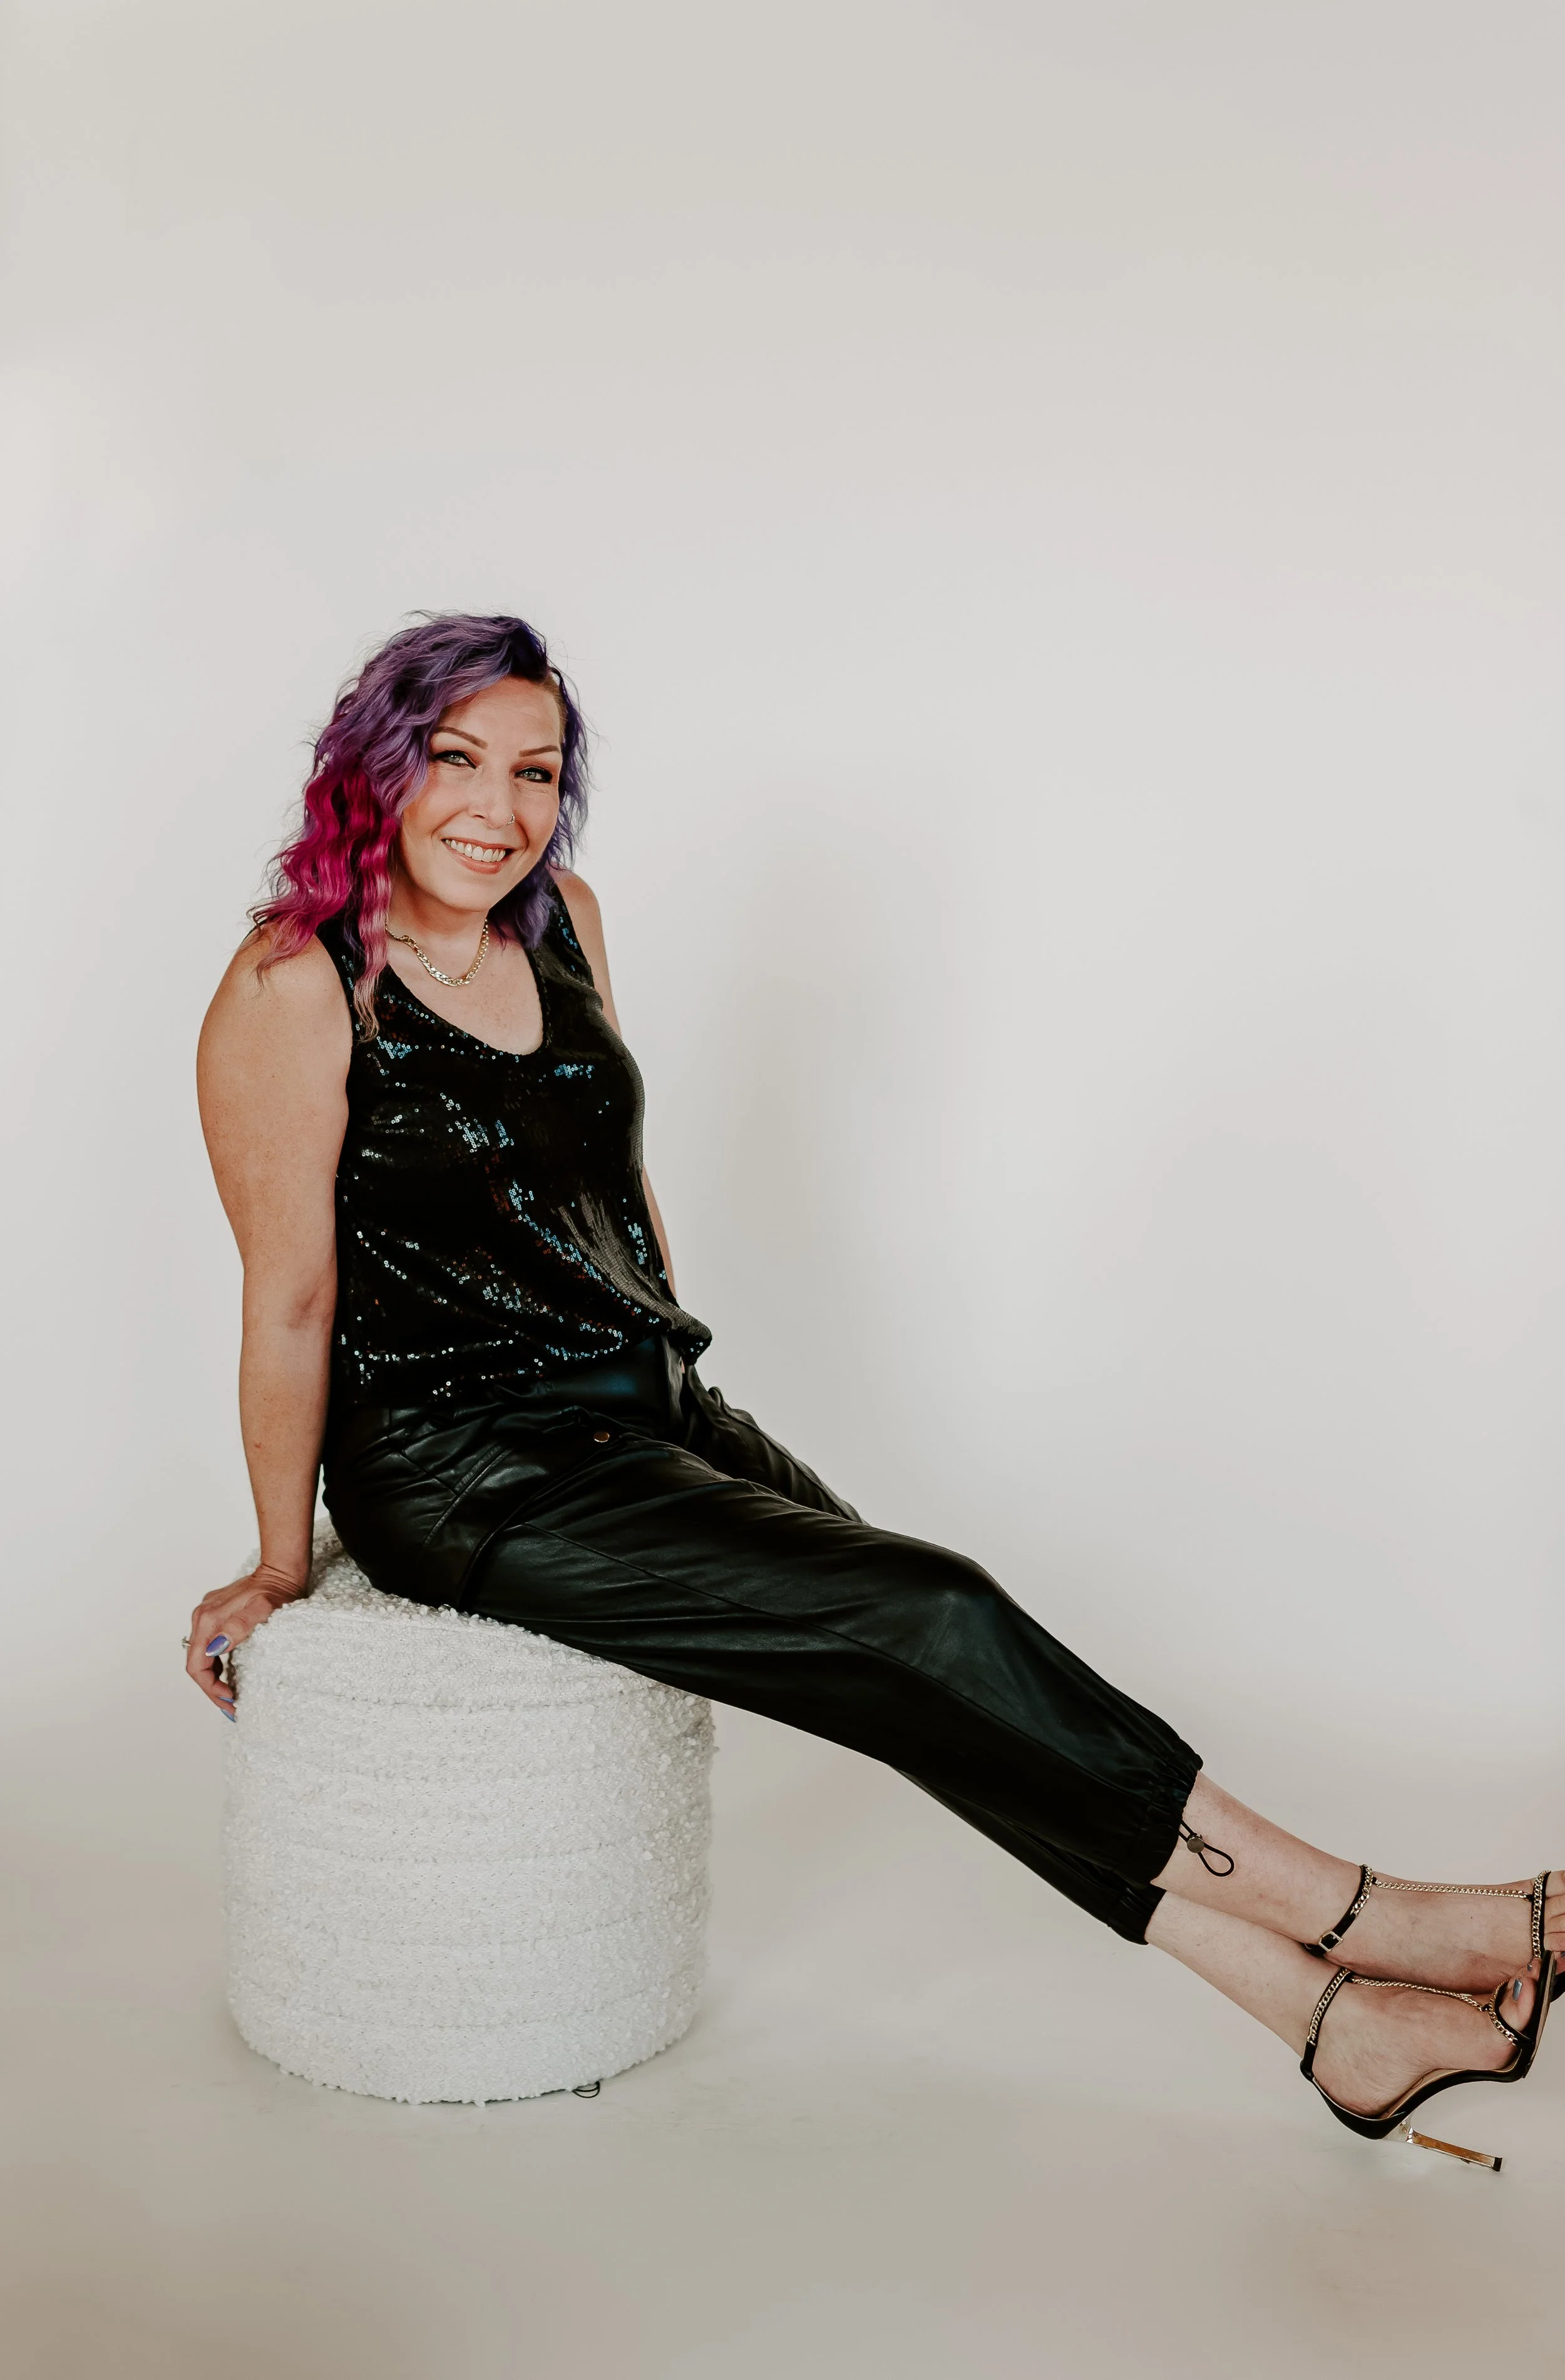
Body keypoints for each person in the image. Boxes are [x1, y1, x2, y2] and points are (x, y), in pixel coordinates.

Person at [190, 613, 1560, 2146]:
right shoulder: (295, 984)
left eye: (536, 770)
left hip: (643, 1399)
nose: (497, 808)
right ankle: (1378, 1915)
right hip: (469, 1465)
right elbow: (290, 1297)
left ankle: (1334, 2022)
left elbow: (614, 1177)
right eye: (456, 759)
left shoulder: (561, 916)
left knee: (941, 1685)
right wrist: (277, 1561)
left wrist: (669, 1366)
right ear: (379, 762)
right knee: (937, 1612)